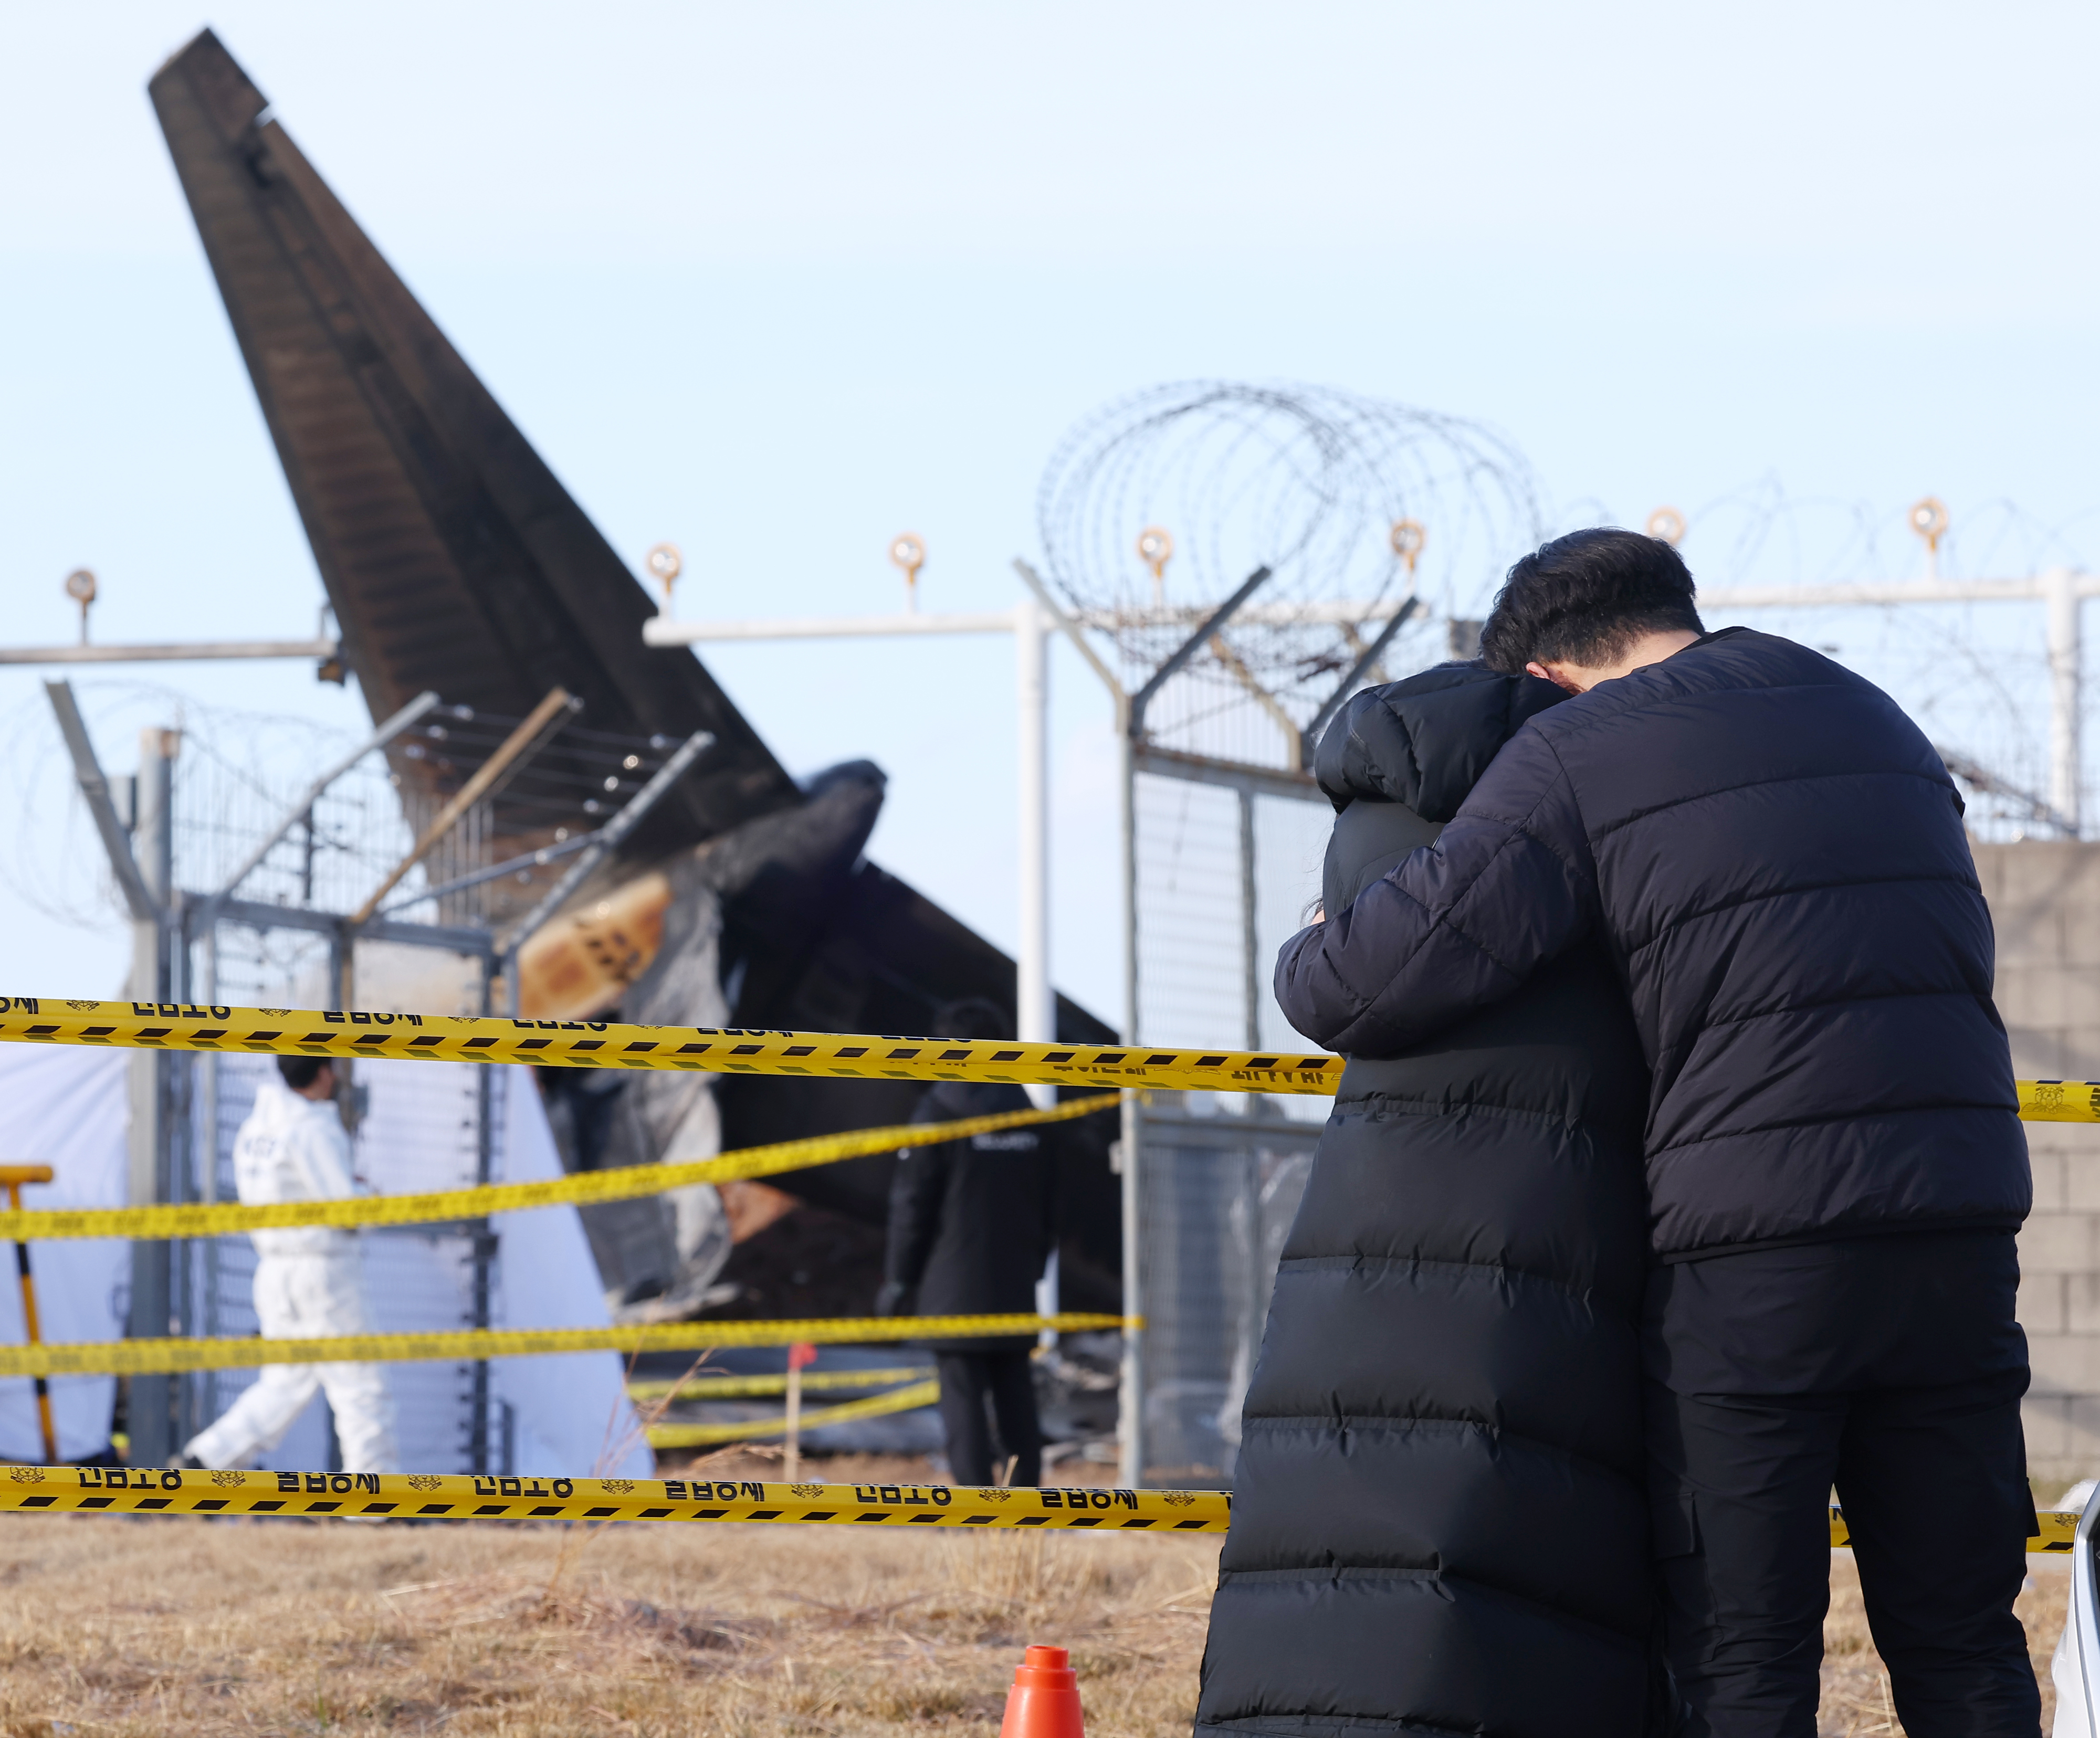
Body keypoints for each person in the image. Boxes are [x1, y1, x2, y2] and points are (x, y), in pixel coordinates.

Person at [1275, 528, 2037, 1737]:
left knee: (1745, 1658)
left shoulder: (1581, 748)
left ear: (1549, 676)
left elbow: (1372, 980)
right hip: (1958, 1225)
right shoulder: (1871, 715)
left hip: (1759, 1256)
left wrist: (1319, 928)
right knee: (1961, 1639)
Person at [1196, 663, 1663, 1737]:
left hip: (1357, 1249)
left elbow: (1340, 984)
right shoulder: (1591, 829)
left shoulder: (1368, 830)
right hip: (1552, 1250)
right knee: (1518, 1585)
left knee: (1325, 1564)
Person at [180, 1056, 401, 1476]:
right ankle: (374, 1502)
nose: (336, 1077)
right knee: (362, 1385)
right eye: (332, 1068)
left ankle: (205, 1460)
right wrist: (372, 1199)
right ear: (322, 1073)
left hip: (274, 1271)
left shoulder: (255, 1129)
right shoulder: (313, 1127)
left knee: (285, 1384)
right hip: (323, 1272)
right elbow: (345, 1209)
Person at [877, 998, 1056, 1488]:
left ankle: (976, 1511)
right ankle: (1027, 1505)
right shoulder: (1030, 1116)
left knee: (962, 1400)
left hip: (951, 1286)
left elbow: (912, 1207)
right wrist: (1037, 1266)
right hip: (1015, 1281)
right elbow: (1052, 1203)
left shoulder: (939, 1114)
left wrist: (900, 1279)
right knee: (1016, 1392)